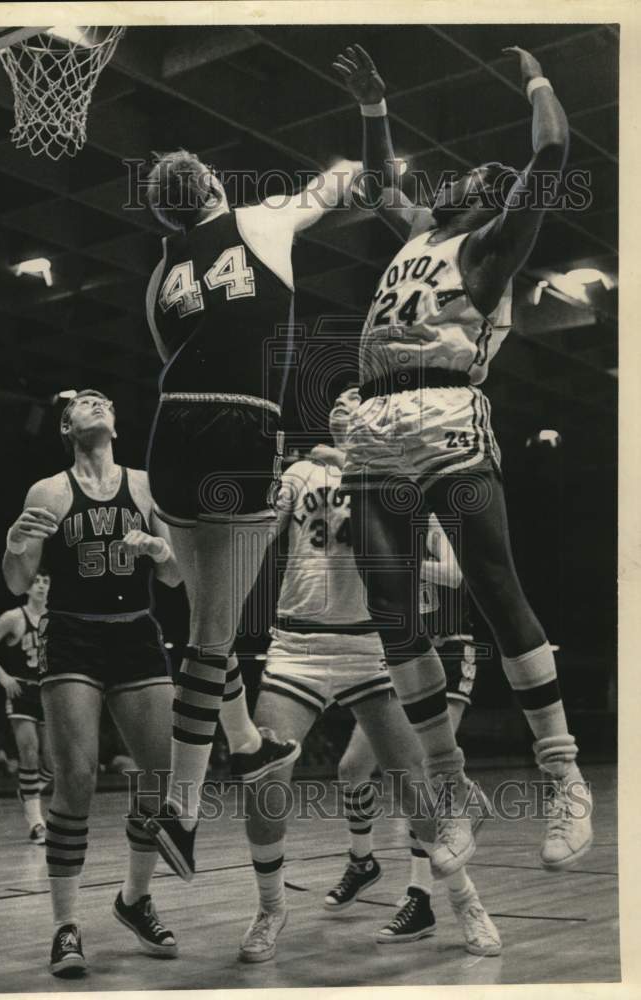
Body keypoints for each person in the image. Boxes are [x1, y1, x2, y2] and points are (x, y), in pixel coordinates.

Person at [331, 43, 592, 872]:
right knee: (390, 606)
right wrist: (375, 104)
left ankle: (562, 774)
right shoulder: (417, 230)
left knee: (492, 582)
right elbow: (379, 181)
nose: (455, 176)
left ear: (487, 198)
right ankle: (449, 785)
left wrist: (537, 80)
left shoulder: (487, 248)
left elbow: (549, 154)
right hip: (374, 421)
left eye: (475, 173)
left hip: (445, 414)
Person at [141, 149, 362, 880]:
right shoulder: (259, 221)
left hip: (169, 431)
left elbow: (171, 358)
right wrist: (354, 156)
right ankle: (181, 808)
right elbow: (325, 191)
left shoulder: (157, 278)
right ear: (210, 184)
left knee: (211, 616)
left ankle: (244, 745)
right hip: (237, 427)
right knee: (212, 635)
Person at [238, 391, 499, 963]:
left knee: (413, 781)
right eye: (336, 400)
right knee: (266, 779)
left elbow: (444, 567)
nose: (343, 404)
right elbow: (259, 530)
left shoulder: (399, 483)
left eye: (356, 398)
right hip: (298, 643)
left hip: (368, 646)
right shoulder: (302, 471)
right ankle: (269, 908)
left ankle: (464, 899)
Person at [3, 389, 183, 977]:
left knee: (159, 776)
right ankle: (65, 926)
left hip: (135, 633)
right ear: (67, 425)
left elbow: (176, 575)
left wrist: (161, 549)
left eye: (106, 400)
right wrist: (14, 544)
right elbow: (17, 581)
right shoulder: (48, 491)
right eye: (85, 402)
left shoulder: (145, 484)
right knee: (76, 778)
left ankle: (134, 900)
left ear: (117, 421)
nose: (99, 403)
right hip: (74, 635)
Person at [327, 497, 487, 946]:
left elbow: (455, 574)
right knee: (351, 769)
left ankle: (421, 898)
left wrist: (399, 565)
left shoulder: (431, 515)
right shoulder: (368, 522)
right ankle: (362, 861)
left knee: (420, 774)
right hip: (400, 653)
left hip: (449, 648)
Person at [0, 572, 52, 844]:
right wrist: (2, 676)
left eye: (46, 582)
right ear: (27, 588)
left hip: (50, 692)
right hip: (21, 690)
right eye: (37, 582)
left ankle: (29, 790)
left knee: (53, 764)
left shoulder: (59, 618)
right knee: (28, 752)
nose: (41, 586)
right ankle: (36, 822)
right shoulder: (14, 618)